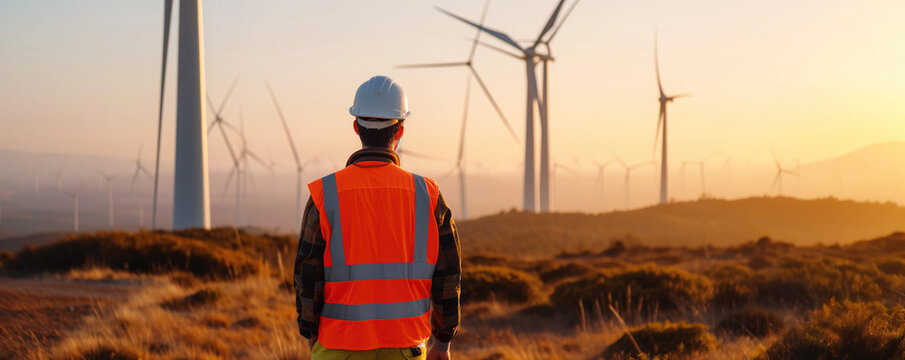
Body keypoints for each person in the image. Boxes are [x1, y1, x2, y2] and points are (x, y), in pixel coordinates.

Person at [294, 75, 461, 360]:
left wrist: (310, 332)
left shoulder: (325, 194)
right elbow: (449, 274)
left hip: (338, 347)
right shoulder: (429, 195)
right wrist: (443, 342)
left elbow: (307, 275)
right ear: (401, 130)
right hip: (406, 347)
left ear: (356, 126)